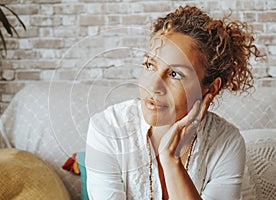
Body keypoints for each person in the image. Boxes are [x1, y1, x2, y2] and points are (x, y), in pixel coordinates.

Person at [85, 5, 261, 200]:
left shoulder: (226, 142)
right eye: (150, 65)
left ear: (210, 89)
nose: (153, 86)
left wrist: (171, 159)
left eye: (175, 74)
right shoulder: (107, 128)